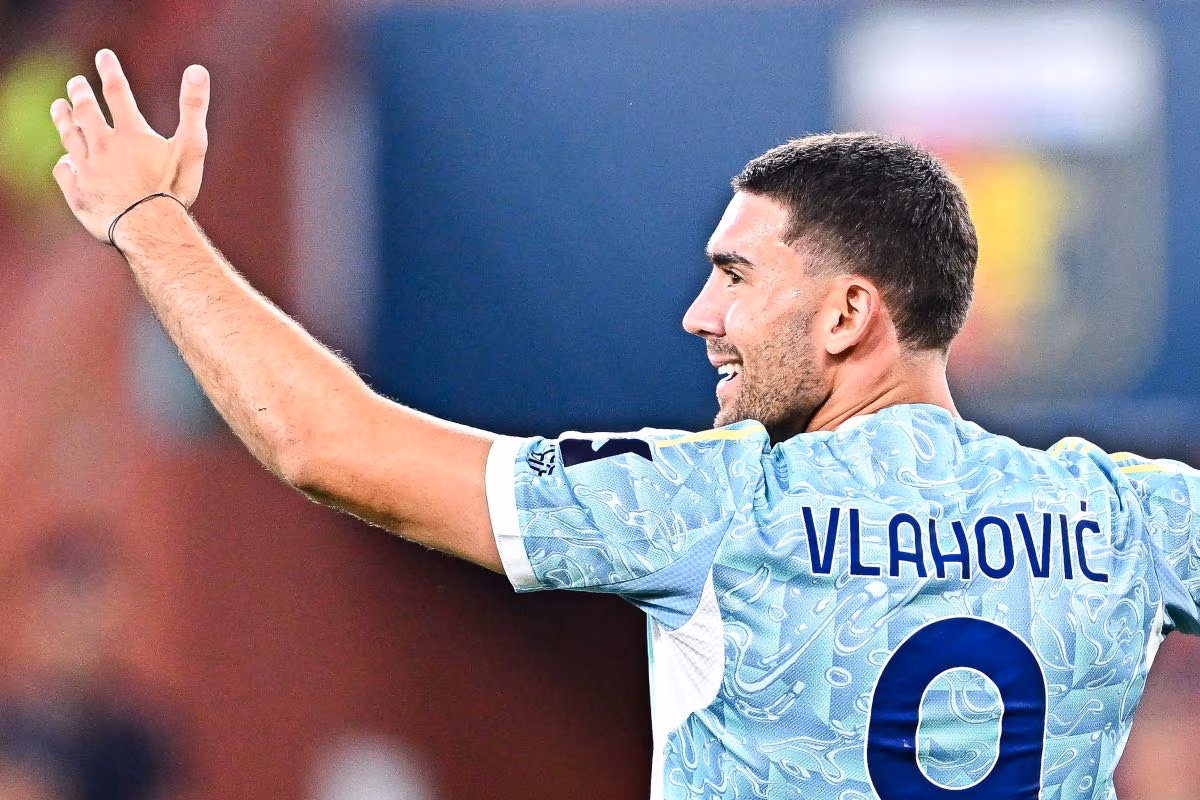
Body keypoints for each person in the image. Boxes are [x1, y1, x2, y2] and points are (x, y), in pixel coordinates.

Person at [48, 50, 1198, 800]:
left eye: (736, 275)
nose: (701, 313)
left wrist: (147, 218)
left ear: (849, 314)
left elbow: (329, 445)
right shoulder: (1127, 514)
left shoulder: (711, 503)